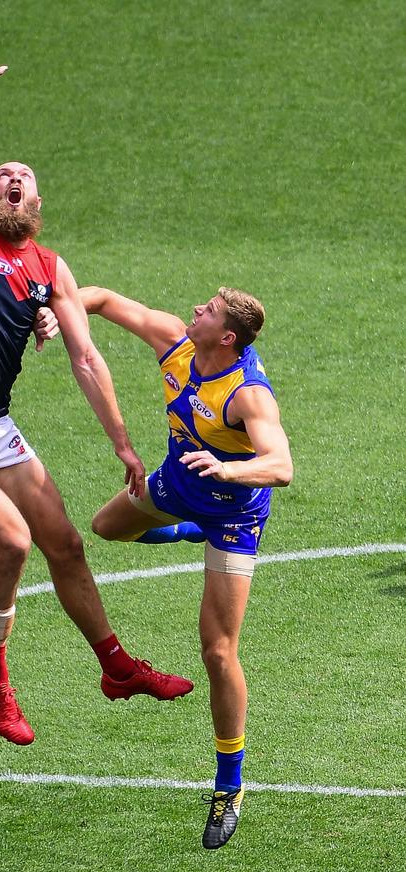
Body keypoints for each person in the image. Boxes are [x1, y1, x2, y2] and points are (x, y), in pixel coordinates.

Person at [0, 42, 193, 748]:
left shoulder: (49, 271)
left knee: (65, 544)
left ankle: (116, 667)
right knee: (11, 541)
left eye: (23, 177)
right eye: (1, 174)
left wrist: (122, 443)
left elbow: (87, 357)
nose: (11, 177)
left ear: (37, 203)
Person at [78, 283, 293, 849]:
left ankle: (229, 784)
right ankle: (191, 530)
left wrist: (227, 472)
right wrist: (52, 315)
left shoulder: (247, 395)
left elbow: (281, 465)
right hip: (175, 487)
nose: (195, 309)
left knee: (218, 651)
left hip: (232, 515)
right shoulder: (175, 343)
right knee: (105, 527)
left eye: (210, 311)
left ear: (227, 337)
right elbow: (99, 300)